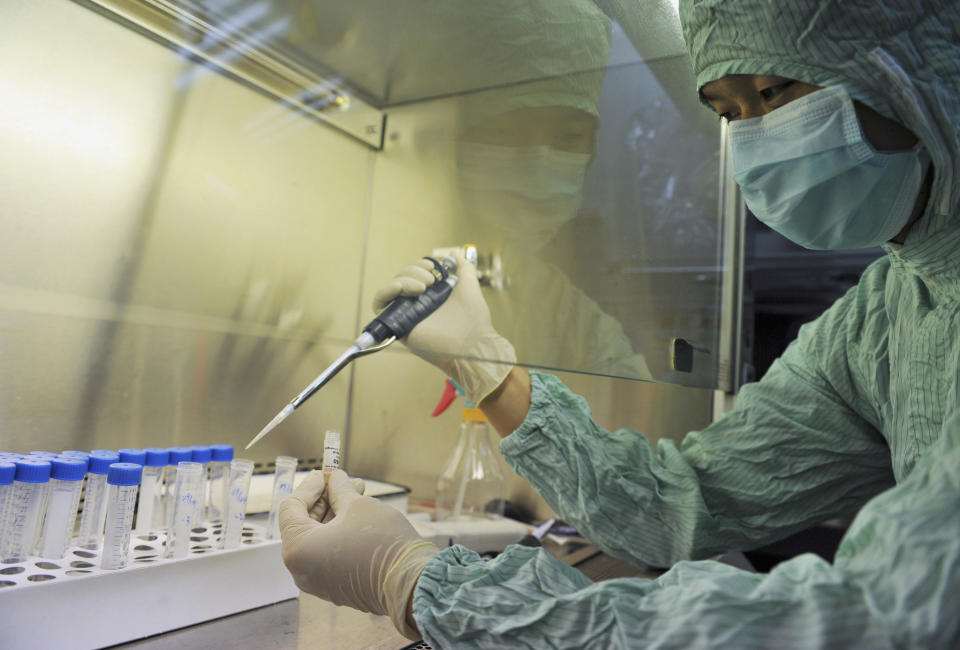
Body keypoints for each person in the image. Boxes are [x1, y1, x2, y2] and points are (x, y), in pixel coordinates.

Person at [279, 0, 960, 647]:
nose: (754, 137)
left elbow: (877, 621)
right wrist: (485, 367)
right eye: (728, 114)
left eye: (775, 92)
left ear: (909, 65)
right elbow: (682, 503)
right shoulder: (888, 313)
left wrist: (422, 583)